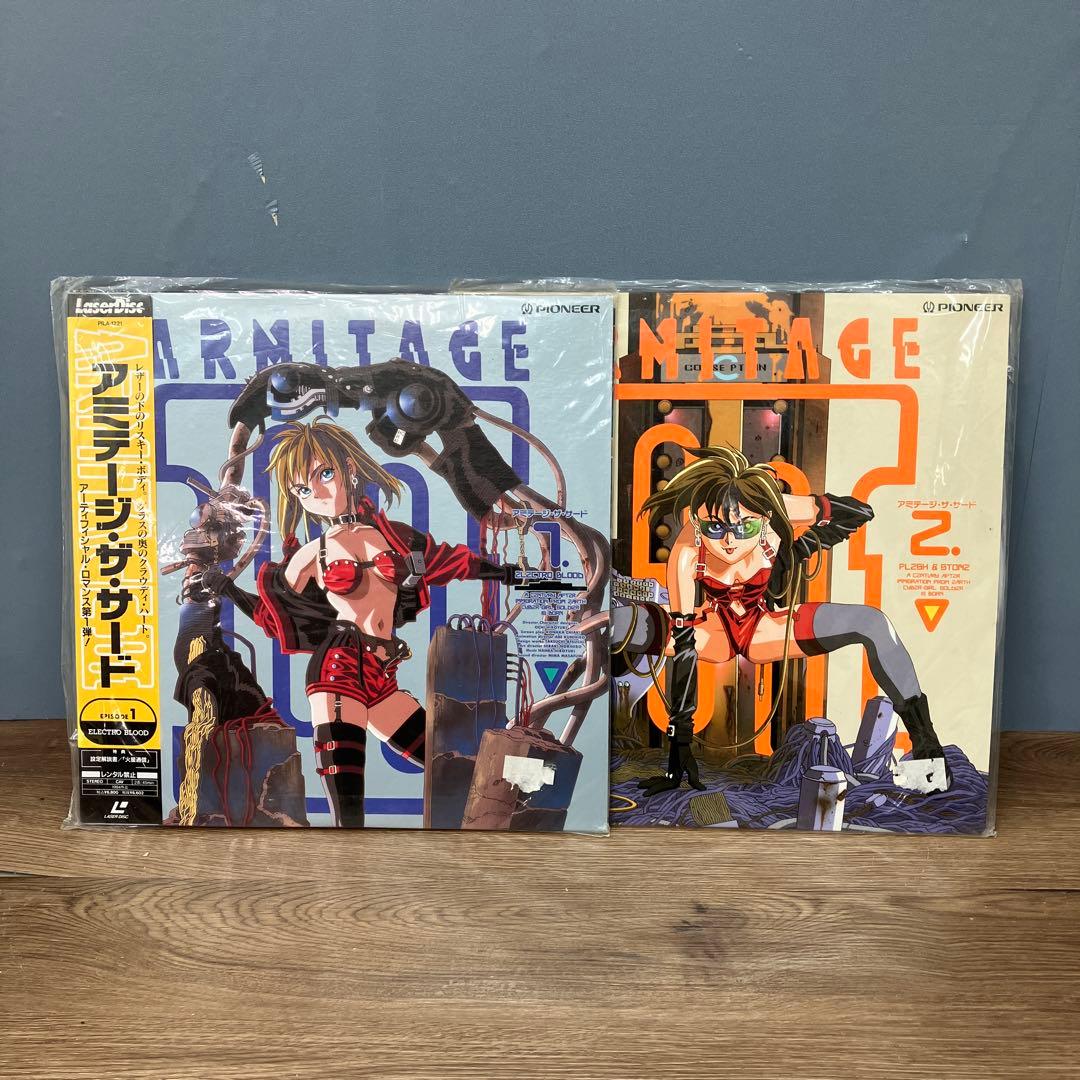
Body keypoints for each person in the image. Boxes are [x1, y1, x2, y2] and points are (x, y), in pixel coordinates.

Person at [201, 417, 516, 826]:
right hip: (337, 670)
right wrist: (227, 589)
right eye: (302, 490)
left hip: (383, 674)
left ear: (349, 469)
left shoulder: (396, 537)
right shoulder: (312, 554)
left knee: (454, 768)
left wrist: (514, 575)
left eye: (324, 474)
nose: (317, 494)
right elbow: (272, 618)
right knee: (348, 807)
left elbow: (455, 562)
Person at [634, 445, 947, 795]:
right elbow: (685, 647)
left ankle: (927, 751)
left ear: (765, 516)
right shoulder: (686, 551)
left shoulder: (777, 512)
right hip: (713, 630)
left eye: (745, 527)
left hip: (766, 627)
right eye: (714, 527)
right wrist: (679, 751)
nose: (729, 540)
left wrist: (800, 546)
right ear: (695, 520)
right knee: (622, 623)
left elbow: (859, 512)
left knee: (872, 623)